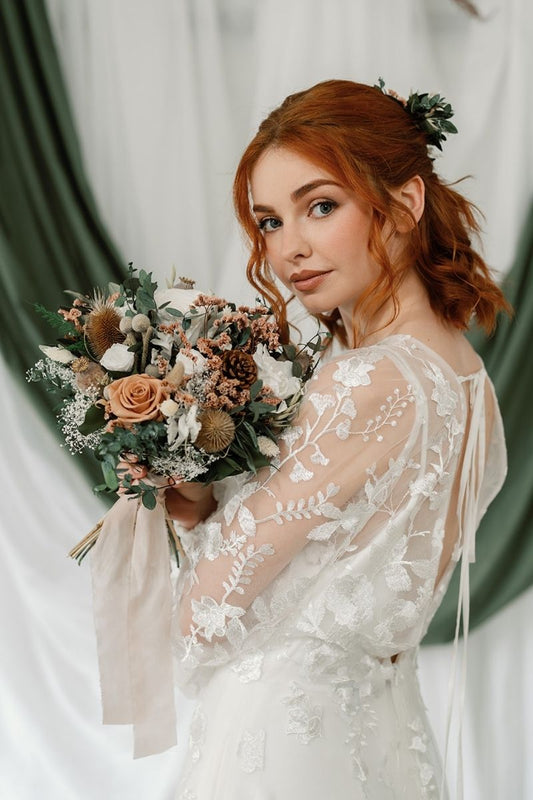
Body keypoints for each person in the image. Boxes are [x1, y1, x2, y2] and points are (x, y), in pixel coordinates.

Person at [164, 79, 510, 799]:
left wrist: (187, 500)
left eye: (320, 206)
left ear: (406, 203)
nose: (291, 249)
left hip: (284, 739)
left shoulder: (367, 382)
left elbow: (203, 612)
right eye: (269, 222)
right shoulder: (466, 379)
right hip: (382, 725)